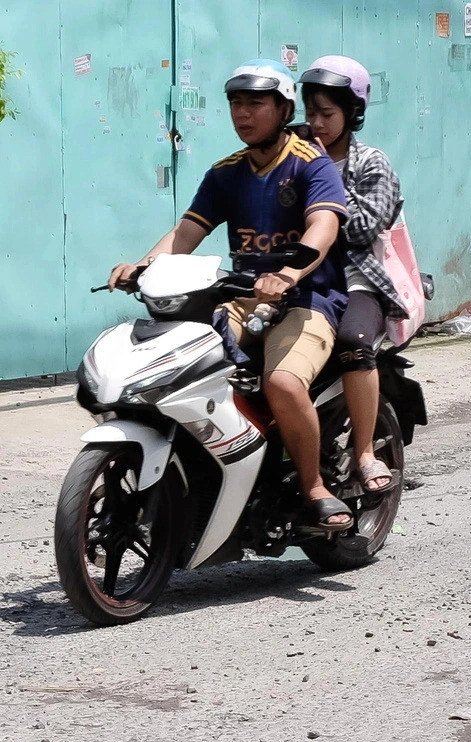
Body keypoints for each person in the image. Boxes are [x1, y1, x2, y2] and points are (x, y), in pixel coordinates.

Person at [107, 60, 352, 533]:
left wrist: (288, 271)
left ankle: (314, 486)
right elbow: (185, 234)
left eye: (256, 103)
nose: (243, 113)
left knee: (281, 383)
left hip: (307, 301)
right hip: (240, 299)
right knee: (181, 368)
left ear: (284, 109)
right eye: (236, 103)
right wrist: (142, 267)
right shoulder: (225, 174)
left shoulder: (311, 163)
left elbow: (324, 226)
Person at [302, 56, 402, 497]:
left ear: (352, 113)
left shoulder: (371, 164)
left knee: (354, 344)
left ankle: (364, 451)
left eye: (327, 114)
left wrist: (324, 173)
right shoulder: (294, 154)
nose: (316, 123)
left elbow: (363, 228)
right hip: (301, 275)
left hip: (355, 278)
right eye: (310, 114)